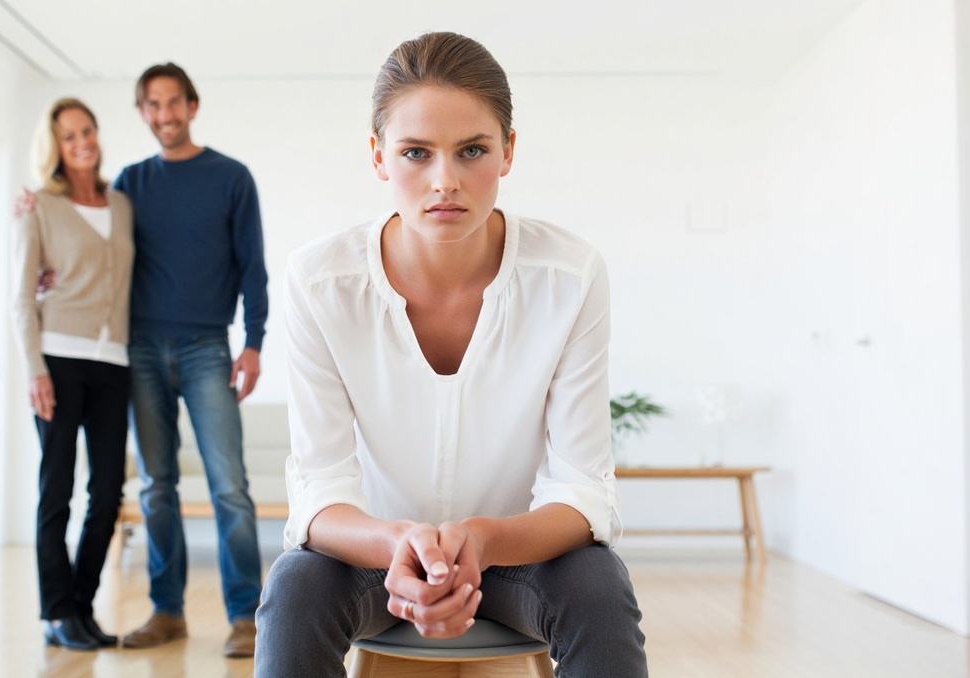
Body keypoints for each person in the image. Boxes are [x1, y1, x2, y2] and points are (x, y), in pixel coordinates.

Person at [254, 32, 648, 677]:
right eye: (415, 152)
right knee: (296, 587)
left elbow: (583, 491)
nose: (445, 182)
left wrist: (483, 539)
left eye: (472, 150)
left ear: (508, 150)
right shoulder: (319, 281)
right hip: (375, 556)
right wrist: (399, 542)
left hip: (519, 554)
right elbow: (320, 491)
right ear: (379, 156)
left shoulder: (570, 275)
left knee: (598, 587)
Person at [113, 63, 268, 656]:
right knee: (156, 487)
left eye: (173, 102)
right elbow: (96, 248)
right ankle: (167, 612)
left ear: (192, 106)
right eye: (152, 105)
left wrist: (253, 342)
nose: (164, 115)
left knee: (230, 487)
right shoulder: (129, 183)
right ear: (143, 113)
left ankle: (246, 617)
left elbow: (253, 266)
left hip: (208, 348)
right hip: (140, 348)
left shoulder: (231, 177)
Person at [10, 98, 134, 651]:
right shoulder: (38, 205)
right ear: (56, 147)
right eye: (69, 136)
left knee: (107, 492)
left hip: (113, 363)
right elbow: (20, 296)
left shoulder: (122, 204)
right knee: (56, 489)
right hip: (57, 359)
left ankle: (81, 607)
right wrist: (33, 369)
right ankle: (56, 612)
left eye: (87, 131)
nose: (81, 142)